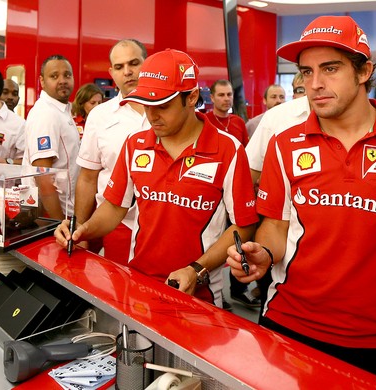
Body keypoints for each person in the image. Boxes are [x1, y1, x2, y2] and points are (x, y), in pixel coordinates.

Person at [227, 15, 376, 386]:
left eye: (331, 68)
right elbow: (276, 227)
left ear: (364, 71)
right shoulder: (284, 143)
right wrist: (263, 253)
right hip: (285, 322)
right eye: (306, 72)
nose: (315, 84)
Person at [57, 49, 258, 307]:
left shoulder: (229, 150)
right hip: (139, 286)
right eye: (147, 105)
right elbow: (115, 207)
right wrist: (81, 229)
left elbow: (244, 225)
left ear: (192, 97)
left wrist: (197, 269)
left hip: (200, 296)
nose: (152, 116)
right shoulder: (135, 144)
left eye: (162, 105)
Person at [75, 39, 149, 264]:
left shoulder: (167, 112)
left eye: (134, 63)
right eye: (119, 67)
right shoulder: (100, 116)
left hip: (163, 229)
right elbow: (88, 178)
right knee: (119, 295)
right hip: (118, 225)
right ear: (111, 72)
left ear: (148, 64)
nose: (127, 72)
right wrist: (79, 228)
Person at [22, 54, 79, 220]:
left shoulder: (62, 111)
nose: (62, 80)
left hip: (66, 211)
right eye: (54, 76)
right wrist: (58, 223)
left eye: (67, 75)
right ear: (42, 81)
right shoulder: (46, 114)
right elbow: (43, 175)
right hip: (53, 215)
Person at [205, 79, 249, 146]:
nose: (227, 99)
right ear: (212, 98)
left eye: (229, 94)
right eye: (221, 95)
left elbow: (246, 150)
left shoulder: (239, 122)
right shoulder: (204, 121)